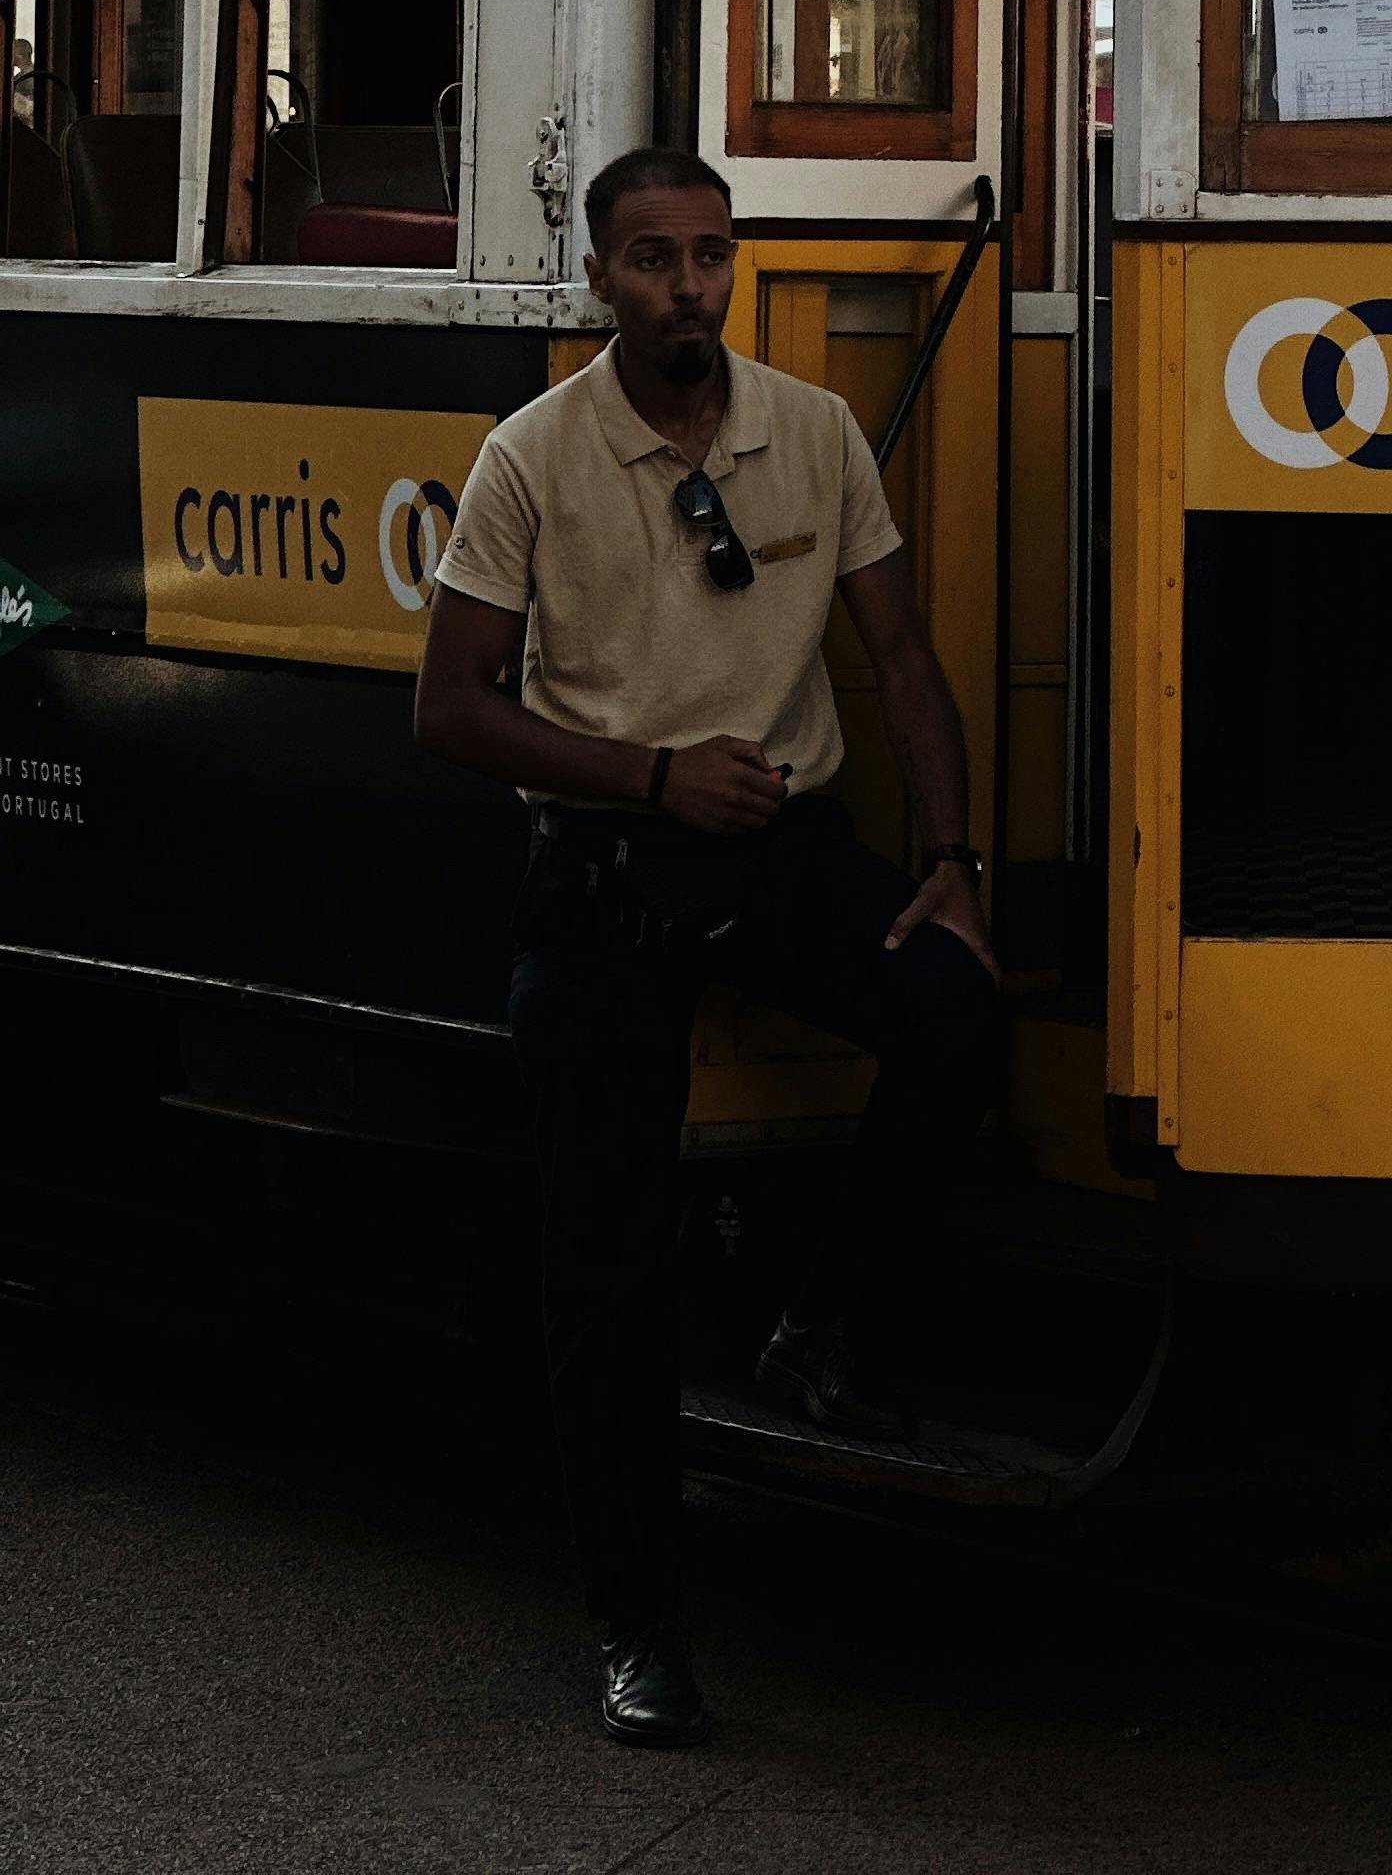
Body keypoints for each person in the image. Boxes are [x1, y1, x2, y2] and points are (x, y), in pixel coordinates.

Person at [417, 144, 1001, 1751]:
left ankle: (823, 1329)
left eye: (711, 256)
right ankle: (639, 1628)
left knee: (953, 1012)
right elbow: (451, 706)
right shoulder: (531, 455)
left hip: (780, 853)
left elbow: (900, 658)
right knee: (607, 1271)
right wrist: (655, 776)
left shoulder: (806, 430)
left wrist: (950, 862)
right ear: (599, 276)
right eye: (655, 259)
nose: (689, 286)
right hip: (605, 874)